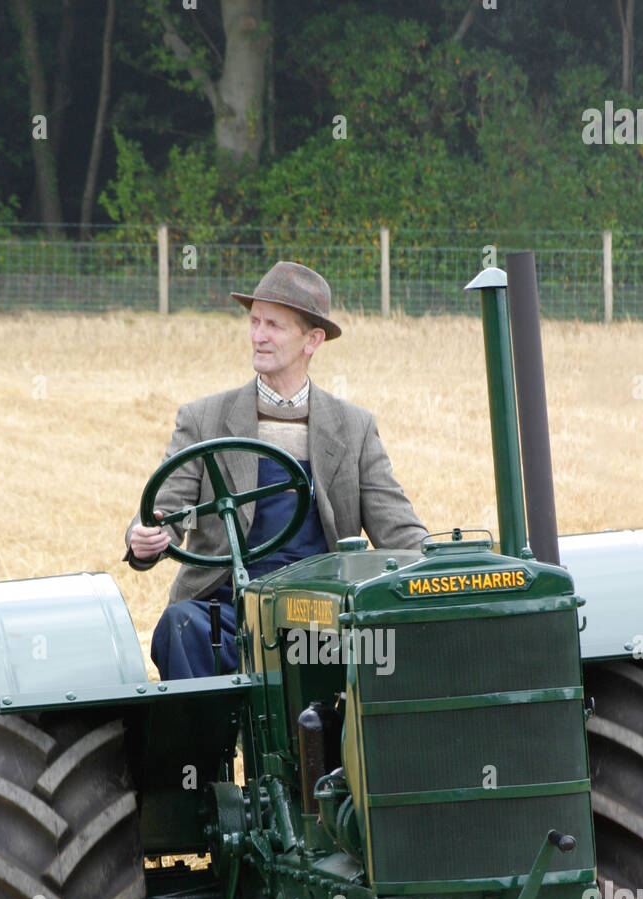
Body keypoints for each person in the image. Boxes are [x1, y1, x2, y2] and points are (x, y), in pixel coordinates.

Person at [126, 260, 427, 679]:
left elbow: (399, 530)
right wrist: (147, 536)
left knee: (386, 648)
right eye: (254, 322)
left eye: (274, 326)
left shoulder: (354, 427)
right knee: (182, 627)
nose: (258, 336)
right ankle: (200, 745)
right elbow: (163, 512)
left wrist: (445, 567)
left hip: (319, 615)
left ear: (312, 340)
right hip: (229, 613)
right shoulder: (204, 419)